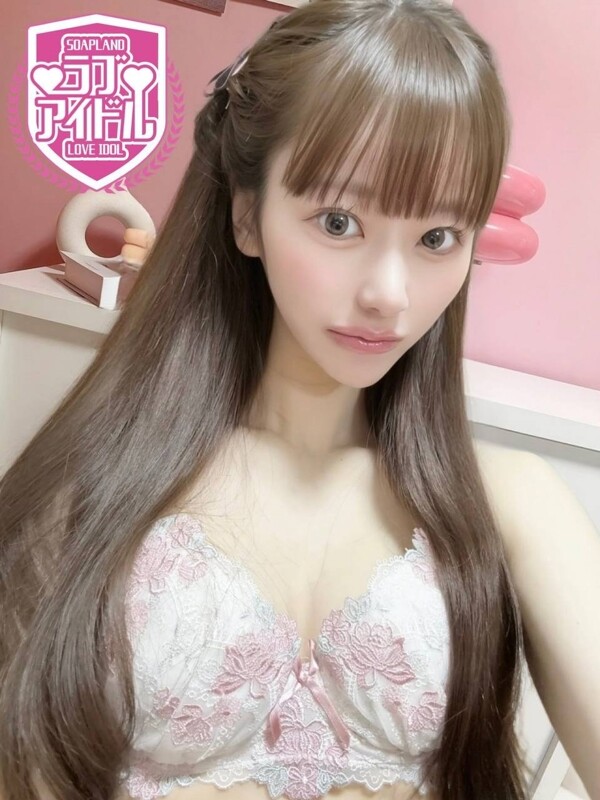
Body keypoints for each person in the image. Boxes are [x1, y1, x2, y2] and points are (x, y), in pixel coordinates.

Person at [1, 1, 599, 799]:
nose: (390, 295)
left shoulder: (510, 503)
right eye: (339, 221)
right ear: (248, 216)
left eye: (437, 238)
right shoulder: (97, 487)